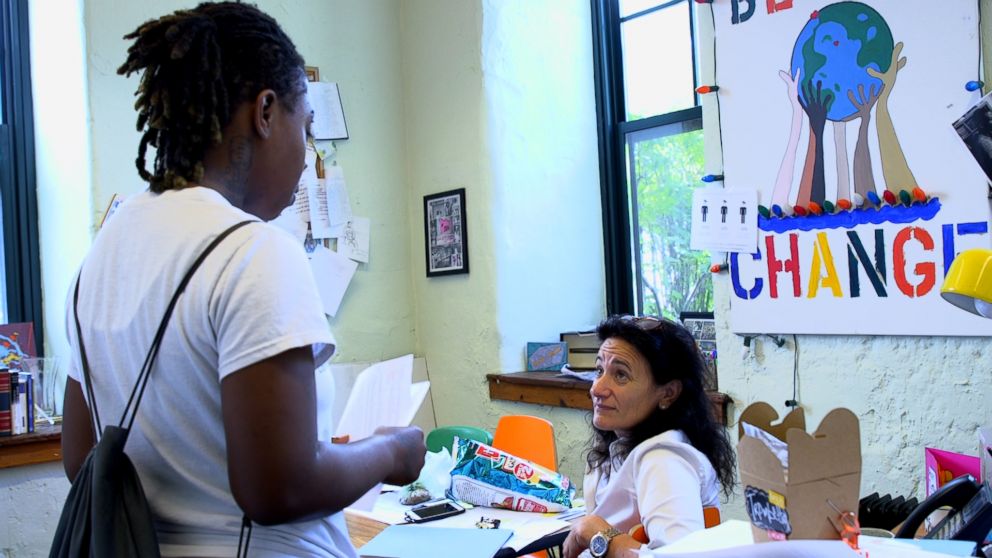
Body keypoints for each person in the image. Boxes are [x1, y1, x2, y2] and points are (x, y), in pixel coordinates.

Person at [60, 3, 426, 557]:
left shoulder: (99, 262)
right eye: (305, 127)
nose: (306, 157)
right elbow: (281, 487)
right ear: (265, 112)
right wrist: (389, 451)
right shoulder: (254, 252)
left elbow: (81, 457)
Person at [563, 316, 736, 558]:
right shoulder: (620, 440)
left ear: (668, 393)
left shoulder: (663, 458)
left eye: (620, 375)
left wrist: (596, 532)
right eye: (600, 370)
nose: (597, 388)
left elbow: (681, 557)